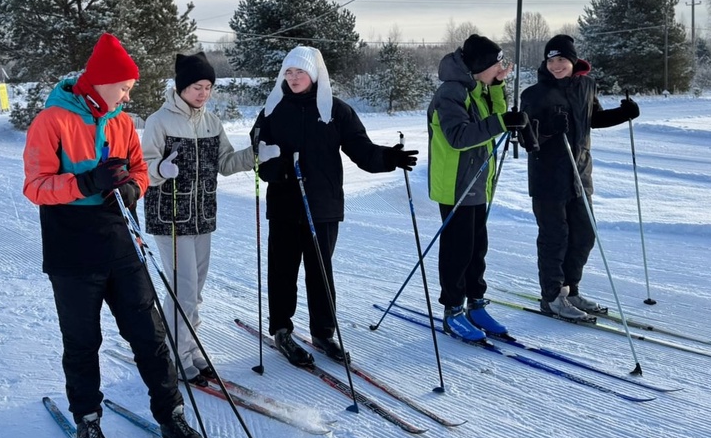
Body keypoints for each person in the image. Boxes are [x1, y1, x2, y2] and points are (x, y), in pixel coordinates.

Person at [22, 33, 210, 438]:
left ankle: (172, 416)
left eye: (129, 88)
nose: (128, 94)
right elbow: (34, 186)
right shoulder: (52, 121)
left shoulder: (123, 123)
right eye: (123, 86)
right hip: (71, 250)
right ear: (101, 81)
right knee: (83, 343)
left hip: (121, 242)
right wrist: (85, 183)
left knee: (150, 334)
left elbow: (141, 170)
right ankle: (88, 421)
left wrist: (130, 188)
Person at [251, 45, 418, 366]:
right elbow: (259, 152)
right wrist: (277, 168)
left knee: (320, 272)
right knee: (282, 270)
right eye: (289, 71)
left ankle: (323, 332)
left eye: (300, 71)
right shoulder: (272, 110)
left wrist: (389, 157)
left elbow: (362, 150)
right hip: (285, 205)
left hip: (323, 205)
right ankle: (282, 329)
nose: (294, 77)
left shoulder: (336, 111)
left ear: (314, 74)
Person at [141, 51, 254, 386]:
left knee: (196, 290)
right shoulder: (159, 121)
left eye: (207, 86)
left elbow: (227, 162)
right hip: (170, 217)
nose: (203, 93)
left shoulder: (211, 122)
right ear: (180, 87)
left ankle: (190, 347)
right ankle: (176, 352)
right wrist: (161, 168)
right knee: (183, 289)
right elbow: (143, 168)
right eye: (196, 86)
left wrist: (257, 153)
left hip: (202, 217)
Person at [519, 34, 640, 322]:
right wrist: (546, 128)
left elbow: (592, 119)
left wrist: (623, 114)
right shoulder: (534, 94)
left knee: (584, 234)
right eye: (551, 60)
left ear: (573, 61)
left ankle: (571, 290)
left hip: (580, 174)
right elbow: (526, 139)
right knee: (554, 238)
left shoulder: (586, 86)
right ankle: (552, 297)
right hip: (549, 179)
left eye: (562, 59)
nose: (556, 65)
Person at [427, 34, 530, 342]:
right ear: (480, 65)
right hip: (456, 184)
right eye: (497, 64)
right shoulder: (451, 93)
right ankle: (453, 311)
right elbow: (459, 136)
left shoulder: (479, 88)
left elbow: (495, 116)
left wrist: (497, 87)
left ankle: (475, 304)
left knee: (477, 248)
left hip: (477, 182)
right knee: (457, 251)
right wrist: (502, 122)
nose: (501, 68)